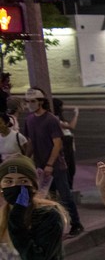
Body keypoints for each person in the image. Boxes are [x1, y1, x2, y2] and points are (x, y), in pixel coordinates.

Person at [21, 87, 84, 236]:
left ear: (41, 102)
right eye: (28, 101)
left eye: (33, 101)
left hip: (56, 167)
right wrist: (24, 158)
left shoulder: (51, 119)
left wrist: (50, 164)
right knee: (49, 199)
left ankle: (76, 224)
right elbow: (31, 142)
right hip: (41, 167)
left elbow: (57, 143)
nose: (30, 104)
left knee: (65, 196)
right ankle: (55, 225)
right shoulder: (29, 120)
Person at [54, 99, 79, 187]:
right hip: (65, 145)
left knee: (71, 169)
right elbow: (71, 126)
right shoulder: (55, 119)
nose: (62, 109)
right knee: (68, 169)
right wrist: (76, 114)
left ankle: (70, 188)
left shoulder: (59, 118)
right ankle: (68, 189)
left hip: (69, 145)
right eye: (61, 107)